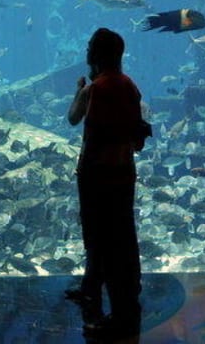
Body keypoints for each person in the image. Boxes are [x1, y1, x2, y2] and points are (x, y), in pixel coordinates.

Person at [66, 28, 143, 339]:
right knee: (121, 232)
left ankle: (113, 309)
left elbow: (74, 118)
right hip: (124, 170)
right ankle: (99, 288)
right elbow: (138, 135)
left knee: (100, 235)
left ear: (95, 54)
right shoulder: (129, 85)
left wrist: (79, 89)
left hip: (96, 172)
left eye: (89, 47)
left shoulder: (95, 88)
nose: (86, 51)